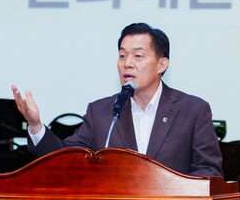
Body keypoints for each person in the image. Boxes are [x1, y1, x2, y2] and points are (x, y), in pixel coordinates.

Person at [12, 22, 223, 178]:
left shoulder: (192, 110)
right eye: (122, 56)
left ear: (161, 65)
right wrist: (36, 125)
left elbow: (209, 171)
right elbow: (64, 161)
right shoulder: (102, 112)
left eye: (138, 56)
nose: (127, 63)